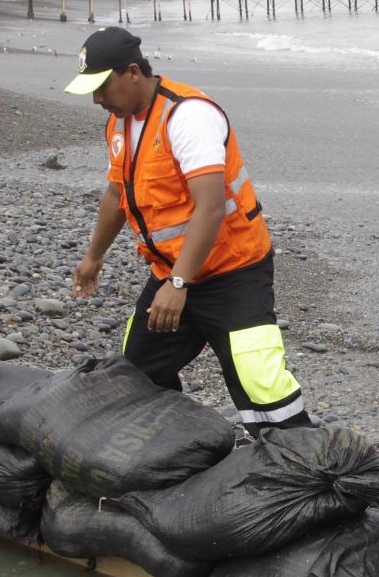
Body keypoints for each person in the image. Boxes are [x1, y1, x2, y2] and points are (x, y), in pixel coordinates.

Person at [66, 26, 310, 433]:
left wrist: (178, 284)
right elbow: (115, 196)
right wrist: (94, 257)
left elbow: (210, 208)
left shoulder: (188, 115)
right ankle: (181, 449)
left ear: (131, 73)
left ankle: (309, 461)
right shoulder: (121, 123)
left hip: (233, 273)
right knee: (135, 375)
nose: (97, 100)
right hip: (171, 274)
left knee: (260, 384)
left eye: (103, 87)